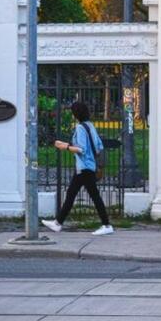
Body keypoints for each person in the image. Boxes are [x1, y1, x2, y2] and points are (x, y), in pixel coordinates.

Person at [42, 100, 114, 236]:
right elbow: (99, 147)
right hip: (89, 167)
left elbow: (81, 149)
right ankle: (58, 223)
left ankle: (106, 225)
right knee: (73, 194)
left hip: (84, 168)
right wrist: (67, 143)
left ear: (76, 114)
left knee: (88, 196)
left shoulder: (80, 128)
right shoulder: (90, 126)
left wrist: (65, 147)